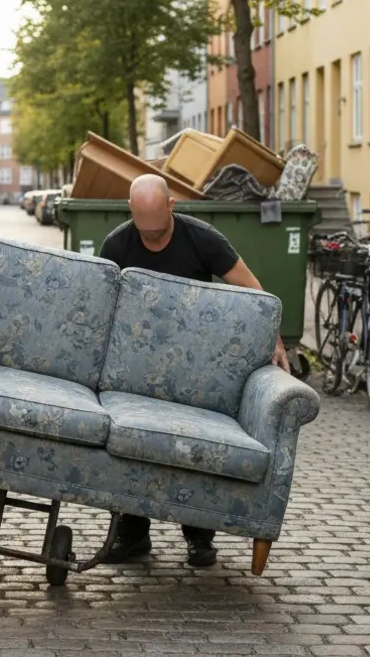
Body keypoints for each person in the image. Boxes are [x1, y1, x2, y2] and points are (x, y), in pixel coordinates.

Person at [98, 173, 289, 568]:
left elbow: (254, 291)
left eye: (157, 226)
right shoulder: (117, 244)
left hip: (195, 368)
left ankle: (199, 536)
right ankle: (133, 536)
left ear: (172, 207)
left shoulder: (203, 239)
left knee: (195, 449)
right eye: (141, 226)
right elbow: (101, 306)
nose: (149, 236)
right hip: (136, 366)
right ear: (130, 213)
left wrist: (275, 339)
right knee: (135, 448)